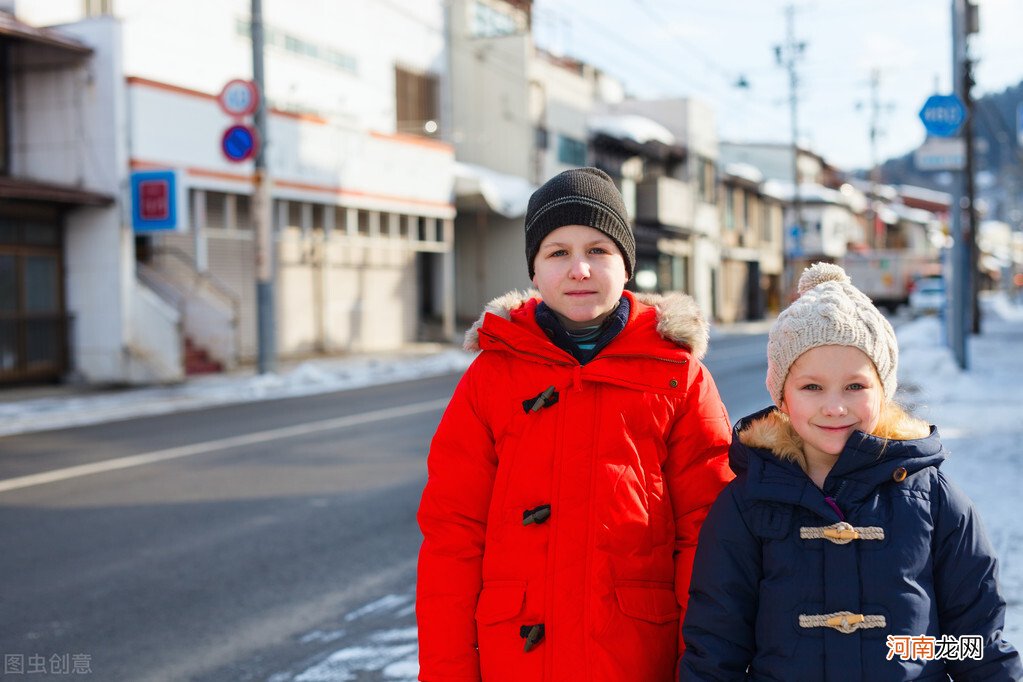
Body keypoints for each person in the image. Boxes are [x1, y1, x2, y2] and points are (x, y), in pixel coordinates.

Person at [416, 167, 734, 681]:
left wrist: (704, 667)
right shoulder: (491, 377)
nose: (579, 269)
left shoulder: (678, 377)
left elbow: (708, 538)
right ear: (535, 272)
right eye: (557, 252)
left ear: (626, 265)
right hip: (514, 658)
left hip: (637, 656)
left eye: (599, 250)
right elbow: (452, 540)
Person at [679, 262, 1022, 681]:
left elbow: (977, 642)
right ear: (782, 397)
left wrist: (917, 650)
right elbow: (717, 645)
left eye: (855, 386)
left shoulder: (933, 498)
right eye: (812, 387)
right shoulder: (748, 503)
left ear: (885, 390)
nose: (835, 407)